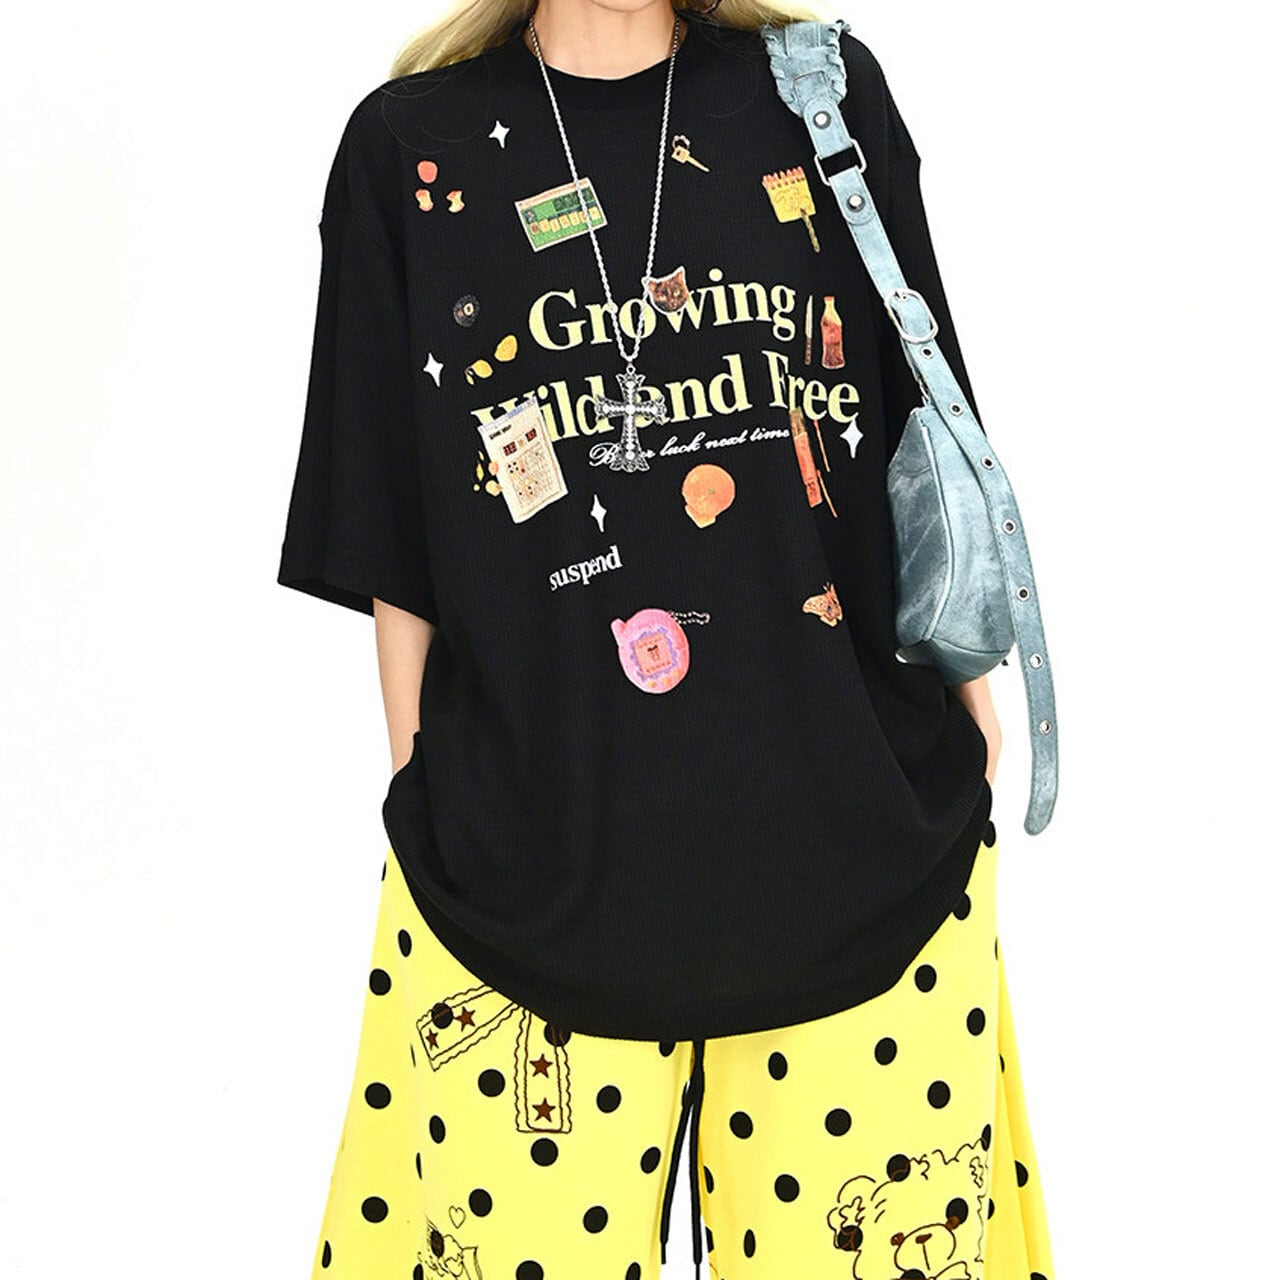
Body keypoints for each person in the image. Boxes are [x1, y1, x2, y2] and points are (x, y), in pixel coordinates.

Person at [276, 0, 1056, 1275]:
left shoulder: (815, 95)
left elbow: (920, 427)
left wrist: (966, 705)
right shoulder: (410, 148)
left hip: (856, 859)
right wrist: (424, 779)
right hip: (522, 886)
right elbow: (384, 508)